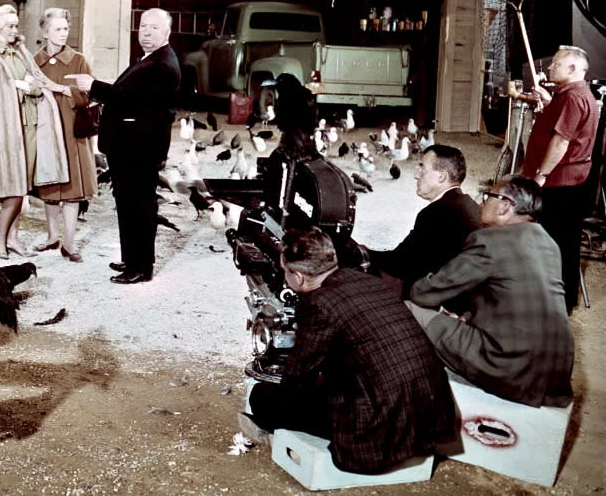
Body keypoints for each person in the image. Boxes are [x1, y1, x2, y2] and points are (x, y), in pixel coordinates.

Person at [243, 227, 455, 475]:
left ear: (298, 277)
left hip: (378, 432)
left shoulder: (318, 304)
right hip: (430, 421)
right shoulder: (370, 281)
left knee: (261, 396)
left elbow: (299, 379)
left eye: (285, 271)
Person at [408, 176, 574, 408]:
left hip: (510, 367)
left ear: (505, 206)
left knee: (410, 308)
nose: (481, 203)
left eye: (488, 197)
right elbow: (511, 301)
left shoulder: (488, 240)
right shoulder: (549, 244)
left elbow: (424, 294)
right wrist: (466, 318)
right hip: (556, 376)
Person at [66, 8, 181, 284]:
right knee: (128, 205)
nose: (147, 32)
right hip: (129, 147)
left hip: (139, 149)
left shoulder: (162, 65)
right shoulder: (149, 59)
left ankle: (141, 267)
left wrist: (92, 85)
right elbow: (127, 93)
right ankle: (132, 259)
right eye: (143, 26)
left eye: (154, 28)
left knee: (139, 207)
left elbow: (131, 100)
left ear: (167, 32)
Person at [0, 4, 68, 259]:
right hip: (7, 126)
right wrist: (16, 87)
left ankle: (13, 238)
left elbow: (37, 81)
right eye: (10, 26)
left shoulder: (20, 50)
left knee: (22, 186)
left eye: (16, 25)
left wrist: (27, 87)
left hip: (31, 122)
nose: (15, 30)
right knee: (12, 188)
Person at [523, 45, 599, 313]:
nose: (549, 67)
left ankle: (556, 304)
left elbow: (561, 142)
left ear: (573, 69)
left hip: (561, 184)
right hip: (567, 183)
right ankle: (559, 301)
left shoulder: (573, 98)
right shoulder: (570, 95)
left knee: (555, 245)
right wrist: (547, 102)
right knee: (561, 242)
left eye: (555, 63)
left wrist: (540, 176)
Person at [369, 144, 480, 298]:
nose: (416, 175)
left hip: (442, 303)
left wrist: (365, 252)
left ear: (441, 176)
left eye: (422, 168)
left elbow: (399, 264)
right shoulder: (469, 205)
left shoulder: (437, 212)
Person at [32, 8, 98, 262]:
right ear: (45, 32)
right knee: (50, 185)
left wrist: (60, 88)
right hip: (46, 132)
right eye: (58, 29)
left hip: (72, 131)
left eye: (65, 29)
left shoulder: (78, 60)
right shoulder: (34, 60)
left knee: (71, 189)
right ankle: (52, 237)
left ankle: (69, 244)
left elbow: (91, 95)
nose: (63, 34)